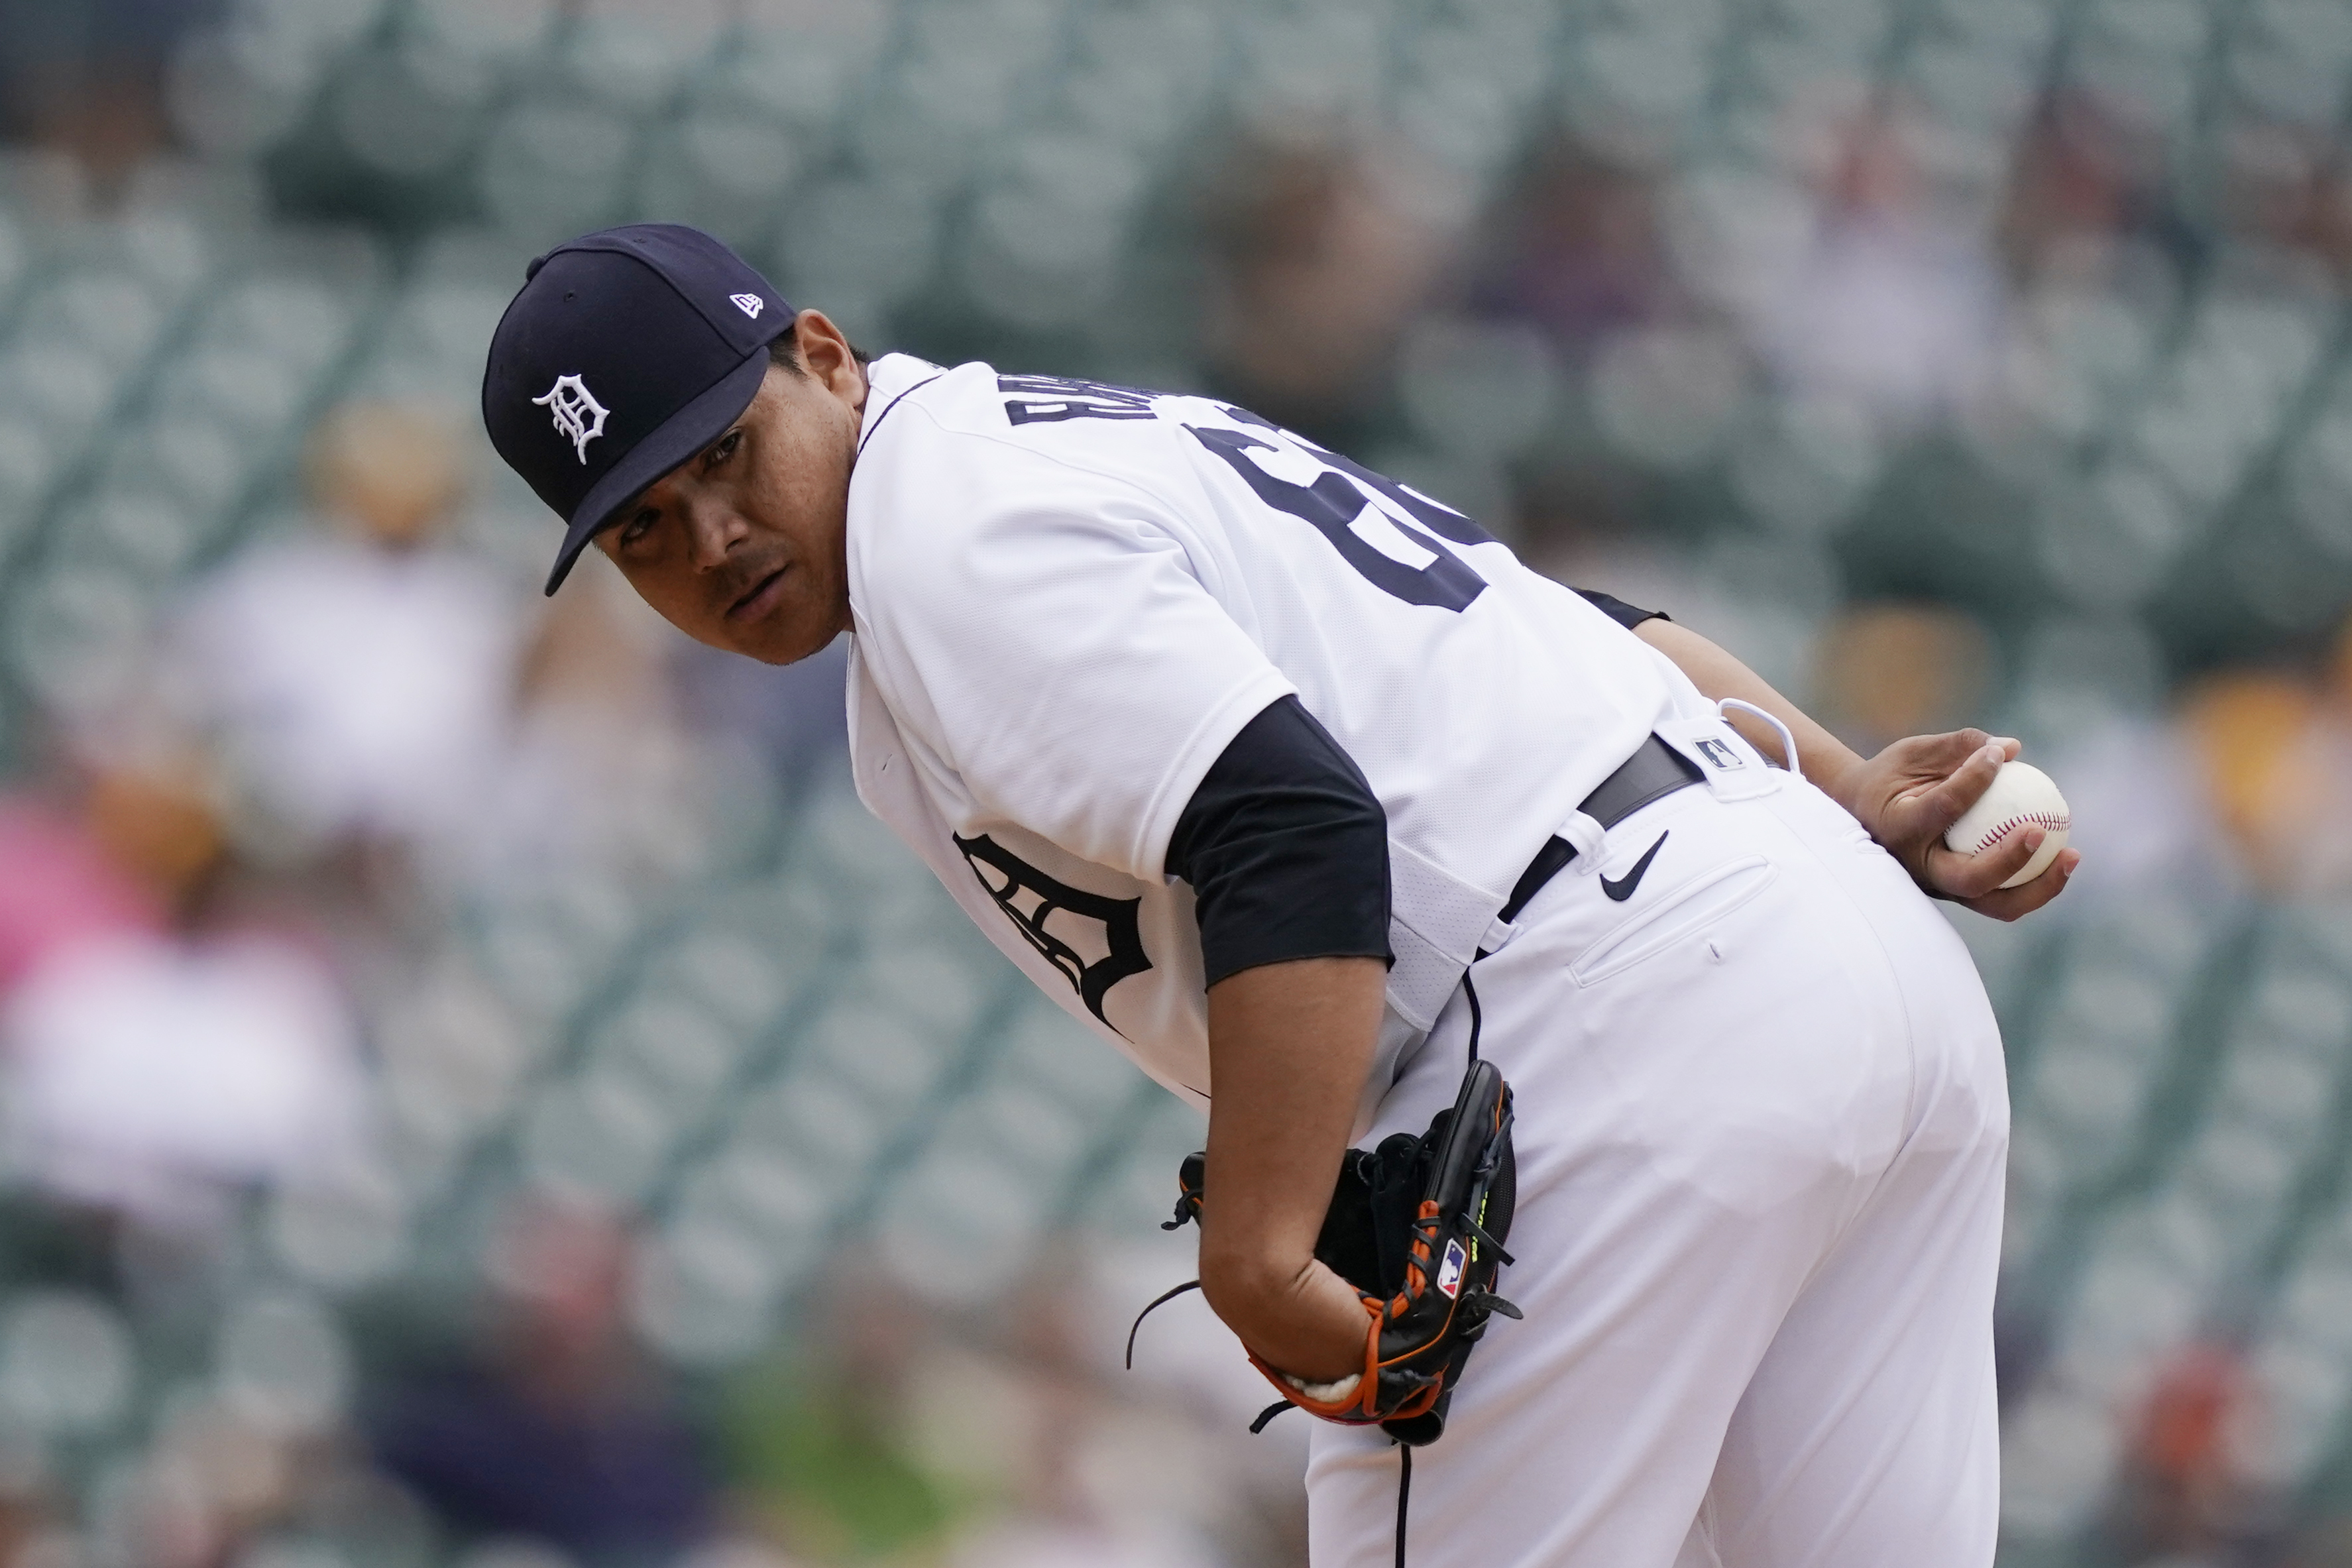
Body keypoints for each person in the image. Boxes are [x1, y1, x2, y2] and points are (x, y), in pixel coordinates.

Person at [480, 225, 2078, 1568]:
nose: (711, 537)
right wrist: (1844, 786)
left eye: (725, 456)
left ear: (821, 357)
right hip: (1823, 930)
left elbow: (1292, 824)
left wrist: (1253, 1250)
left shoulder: (941, 540)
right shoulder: (1049, 442)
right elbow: (1558, 615)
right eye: (643, 531)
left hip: (1617, 1023)